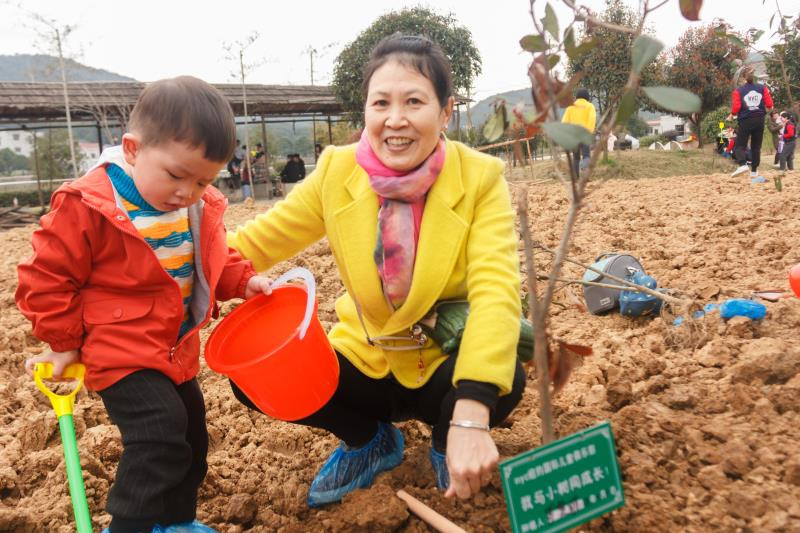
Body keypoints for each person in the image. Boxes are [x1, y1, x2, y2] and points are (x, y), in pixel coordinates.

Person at [227, 34, 525, 507]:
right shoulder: (337, 171)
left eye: (414, 101)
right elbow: (256, 241)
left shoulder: (479, 179)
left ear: (446, 112)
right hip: (366, 358)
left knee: (502, 375)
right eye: (381, 102)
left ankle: (449, 441)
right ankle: (370, 440)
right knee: (258, 376)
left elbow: (497, 289)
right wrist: (176, 271)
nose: (395, 119)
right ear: (365, 110)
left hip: (440, 362)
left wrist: (471, 416)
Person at [16, 76, 273, 533]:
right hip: (118, 347)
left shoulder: (193, 206)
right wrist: (62, 342)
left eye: (204, 180)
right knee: (158, 433)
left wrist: (245, 280)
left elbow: (214, 256)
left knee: (192, 434)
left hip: (173, 348)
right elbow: (46, 277)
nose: (187, 191)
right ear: (132, 150)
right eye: (176, 175)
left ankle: (176, 522)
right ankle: (131, 526)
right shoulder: (90, 205)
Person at [729, 67, 773, 178]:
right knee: (756, 147)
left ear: (743, 78)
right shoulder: (762, 88)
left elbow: (736, 108)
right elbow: (769, 104)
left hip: (745, 120)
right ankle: (754, 172)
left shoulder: (738, 91)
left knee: (739, 145)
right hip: (759, 120)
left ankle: (742, 164)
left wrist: (732, 115)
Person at [560, 88, 596, 175]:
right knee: (586, 155)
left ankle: (576, 177)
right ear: (587, 97)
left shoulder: (570, 107)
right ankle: (585, 175)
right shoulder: (590, 106)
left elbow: (564, 122)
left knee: (576, 157)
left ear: (577, 97)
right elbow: (592, 119)